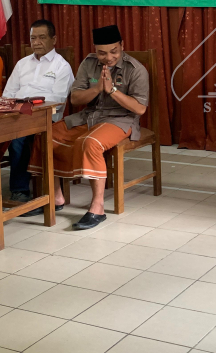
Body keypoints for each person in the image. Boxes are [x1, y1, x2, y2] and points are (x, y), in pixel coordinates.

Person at [29, 24, 148, 230]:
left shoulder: (136, 69)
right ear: (95, 50)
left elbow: (139, 108)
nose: (108, 57)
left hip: (121, 119)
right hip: (89, 116)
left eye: (113, 51)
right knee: (46, 135)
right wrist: (97, 88)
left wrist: (112, 91)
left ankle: (98, 207)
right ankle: (55, 197)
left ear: (122, 45)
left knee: (90, 142)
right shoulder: (89, 63)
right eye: (102, 53)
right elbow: (75, 99)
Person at [2, 20, 74, 207]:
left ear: (53, 39)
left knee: (17, 138)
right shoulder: (22, 64)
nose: (37, 42)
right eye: (33, 38)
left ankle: (20, 190)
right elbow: (8, 94)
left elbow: (58, 100)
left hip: (45, 117)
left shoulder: (61, 66)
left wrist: (29, 108)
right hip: (16, 114)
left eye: (42, 37)